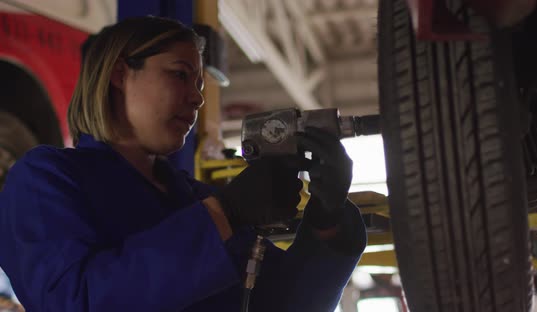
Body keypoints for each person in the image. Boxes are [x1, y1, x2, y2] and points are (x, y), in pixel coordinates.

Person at [0, 16, 366, 311]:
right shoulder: (44, 179)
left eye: (200, 85)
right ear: (118, 74)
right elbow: (72, 301)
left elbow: (283, 305)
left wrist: (326, 220)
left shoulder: (194, 198)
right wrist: (225, 215)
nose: (196, 98)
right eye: (179, 75)